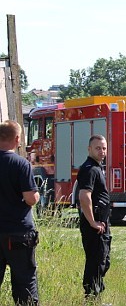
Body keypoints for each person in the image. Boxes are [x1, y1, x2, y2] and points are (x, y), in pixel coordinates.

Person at [0, 120, 40, 305]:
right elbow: (30, 198)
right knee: (25, 283)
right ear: (17, 139)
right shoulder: (20, 164)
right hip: (18, 233)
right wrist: (37, 196)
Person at [77, 134, 111, 297]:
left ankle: (96, 294)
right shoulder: (89, 169)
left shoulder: (96, 167)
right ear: (89, 149)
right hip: (94, 225)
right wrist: (92, 222)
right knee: (96, 262)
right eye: (98, 148)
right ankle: (91, 296)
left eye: (104, 148)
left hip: (100, 224)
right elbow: (84, 196)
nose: (102, 151)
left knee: (103, 260)